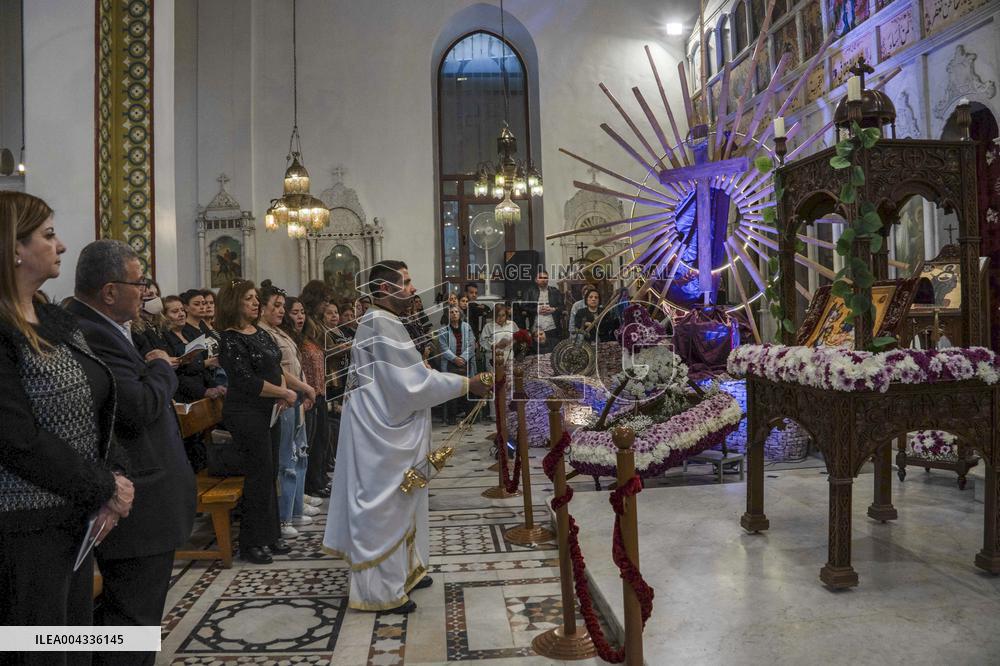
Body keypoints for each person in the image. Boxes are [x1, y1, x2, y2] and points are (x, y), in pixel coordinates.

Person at [0, 193, 133, 660]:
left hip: (77, 519)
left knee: (75, 646)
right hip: (24, 529)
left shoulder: (54, 318)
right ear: (14, 247)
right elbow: (16, 439)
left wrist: (114, 477)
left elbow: (99, 401)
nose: (60, 246)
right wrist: (104, 486)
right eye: (49, 235)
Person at [324, 260, 490, 614]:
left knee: (404, 499)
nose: (414, 289)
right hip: (378, 433)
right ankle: (379, 592)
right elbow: (410, 385)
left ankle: (406, 571)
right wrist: (467, 384)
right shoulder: (380, 323)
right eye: (407, 281)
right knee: (384, 507)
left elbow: (405, 375)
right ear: (386, 289)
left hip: (380, 423)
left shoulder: (382, 320)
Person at [65, 240, 195, 666]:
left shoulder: (106, 327)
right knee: (131, 624)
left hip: (144, 496)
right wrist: (160, 365)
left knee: (131, 620)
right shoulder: (91, 332)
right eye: (139, 284)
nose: (146, 292)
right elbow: (138, 406)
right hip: (137, 499)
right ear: (109, 291)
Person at [217, 279, 295, 564]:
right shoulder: (230, 338)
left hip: (268, 411)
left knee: (270, 472)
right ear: (234, 301)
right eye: (249, 298)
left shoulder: (259, 332)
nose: (255, 303)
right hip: (246, 413)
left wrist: (284, 391)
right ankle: (251, 542)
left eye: (255, 298)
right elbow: (246, 381)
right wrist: (283, 393)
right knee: (258, 475)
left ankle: (271, 534)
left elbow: (275, 366)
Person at [258, 280, 316, 539]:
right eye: (277, 306)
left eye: (283, 306)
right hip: (282, 402)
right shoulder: (264, 334)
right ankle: (283, 518)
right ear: (263, 308)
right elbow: (279, 372)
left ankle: (295, 509)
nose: (282, 311)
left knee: (299, 454)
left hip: (294, 400)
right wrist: (304, 387)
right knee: (286, 461)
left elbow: (295, 365)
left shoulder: (279, 332)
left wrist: (303, 390)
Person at [281, 296, 326, 513]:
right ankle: (299, 494)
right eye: (294, 312)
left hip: (310, 393)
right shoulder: (285, 337)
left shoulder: (303, 336)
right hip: (295, 397)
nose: (300, 317)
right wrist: (304, 392)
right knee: (295, 452)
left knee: (307, 448)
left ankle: (303, 492)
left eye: (302, 312)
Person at [438, 305, 476, 425]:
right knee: (452, 391)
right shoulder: (443, 330)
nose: (454, 314)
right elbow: (443, 348)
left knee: (468, 389)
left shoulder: (466, 327)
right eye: (451, 312)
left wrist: (463, 358)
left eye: (456, 312)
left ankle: (469, 417)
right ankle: (452, 418)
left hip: (466, 362)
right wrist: (455, 359)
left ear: (460, 314)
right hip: (450, 364)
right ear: (448, 315)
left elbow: (472, 345)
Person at [517, 269, 564, 349]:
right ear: (536, 279)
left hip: (552, 327)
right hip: (536, 328)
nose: (543, 280)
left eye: (545, 278)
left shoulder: (555, 291)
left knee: (555, 349)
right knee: (537, 351)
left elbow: (562, 306)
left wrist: (553, 309)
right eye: (541, 278)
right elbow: (523, 306)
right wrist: (536, 310)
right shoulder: (530, 291)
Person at [479, 302, 515, 371]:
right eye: (498, 315)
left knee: (508, 376)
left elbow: (518, 338)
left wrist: (513, 342)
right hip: (493, 357)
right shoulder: (488, 326)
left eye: (503, 315)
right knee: (493, 376)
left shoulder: (512, 324)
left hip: (509, 356)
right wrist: (495, 345)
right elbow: (482, 342)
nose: (500, 318)